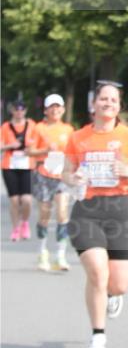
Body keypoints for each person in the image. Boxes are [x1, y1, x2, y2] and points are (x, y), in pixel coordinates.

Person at [63, 82, 128, 348]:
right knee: (97, 273)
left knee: (118, 283)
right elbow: (65, 171)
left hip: (120, 212)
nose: (107, 103)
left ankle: (112, 295)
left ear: (119, 106)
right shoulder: (78, 138)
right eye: (103, 99)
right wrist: (72, 177)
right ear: (94, 104)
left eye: (113, 100)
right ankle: (98, 335)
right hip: (87, 211)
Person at [26, 93, 74, 271]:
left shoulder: (69, 130)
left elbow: (74, 152)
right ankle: (42, 251)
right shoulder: (38, 128)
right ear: (45, 110)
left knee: (62, 212)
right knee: (45, 215)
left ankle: (60, 255)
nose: (55, 110)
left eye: (58, 106)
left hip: (61, 175)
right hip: (43, 174)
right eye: (51, 107)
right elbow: (29, 151)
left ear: (63, 109)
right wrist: (46, 149)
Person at [1, 99, 36, 241]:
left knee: (26, 199)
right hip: (10, 165)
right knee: (14, 200)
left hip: (27, 164)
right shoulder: (5, 127)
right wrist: (11, 145)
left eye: (22, 109)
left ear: (25, 111)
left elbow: (37, 142)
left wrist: (31, 149)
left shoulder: (32, 125)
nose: (19, 112)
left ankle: (25, 223)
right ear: (12, 111)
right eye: (16, 109)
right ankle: (15, 228)